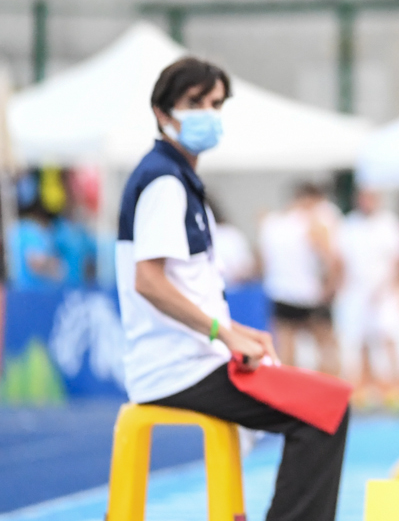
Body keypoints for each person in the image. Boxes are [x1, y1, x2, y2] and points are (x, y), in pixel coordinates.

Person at [117, 58, 347, 521]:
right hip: (178, 369)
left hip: (192, 360)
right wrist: (223, 333)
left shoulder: (177, 178)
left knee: (326, 401)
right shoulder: (164, 180)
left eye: (216, 103)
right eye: (195, 102)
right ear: (162, 112)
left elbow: (185, 285)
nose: (208, 113)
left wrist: (236, 331)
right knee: (326, 409)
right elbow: (149, 281)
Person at [259, 183, 343, 374]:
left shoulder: (272, 223)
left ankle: (288, 389)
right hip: (310, 295)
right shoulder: (312, 225)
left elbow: (264, 262)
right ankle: (330, 388)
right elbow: (333, 261)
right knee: (327, 349)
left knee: (286, 350)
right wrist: (330, 288)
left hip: (280, 293)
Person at [335, 189, 399, 395]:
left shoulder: (389, 223)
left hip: (385, 292)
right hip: (355, 292)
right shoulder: (349, 224)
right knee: (358, 340)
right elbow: (341, 260)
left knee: (388, 338)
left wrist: (388, 287)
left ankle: (398, 386)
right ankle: (364, 387)